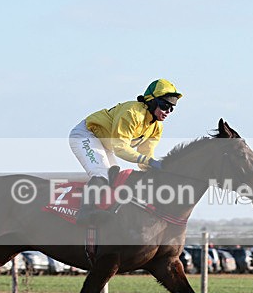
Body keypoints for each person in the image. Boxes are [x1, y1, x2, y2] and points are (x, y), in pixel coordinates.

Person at [69, 79, 182, 224]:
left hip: (104, 143)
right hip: (86, 135)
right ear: (151, 101)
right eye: (165, 105)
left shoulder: (156, 127)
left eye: (172, 108)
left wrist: (158, 169)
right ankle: (84, 213)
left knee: (114, 175)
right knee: (102, 173)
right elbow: (120, 148)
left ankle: (102, 209)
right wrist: (150, 162)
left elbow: (145, 158)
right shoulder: (132, 113)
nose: (168, 111)